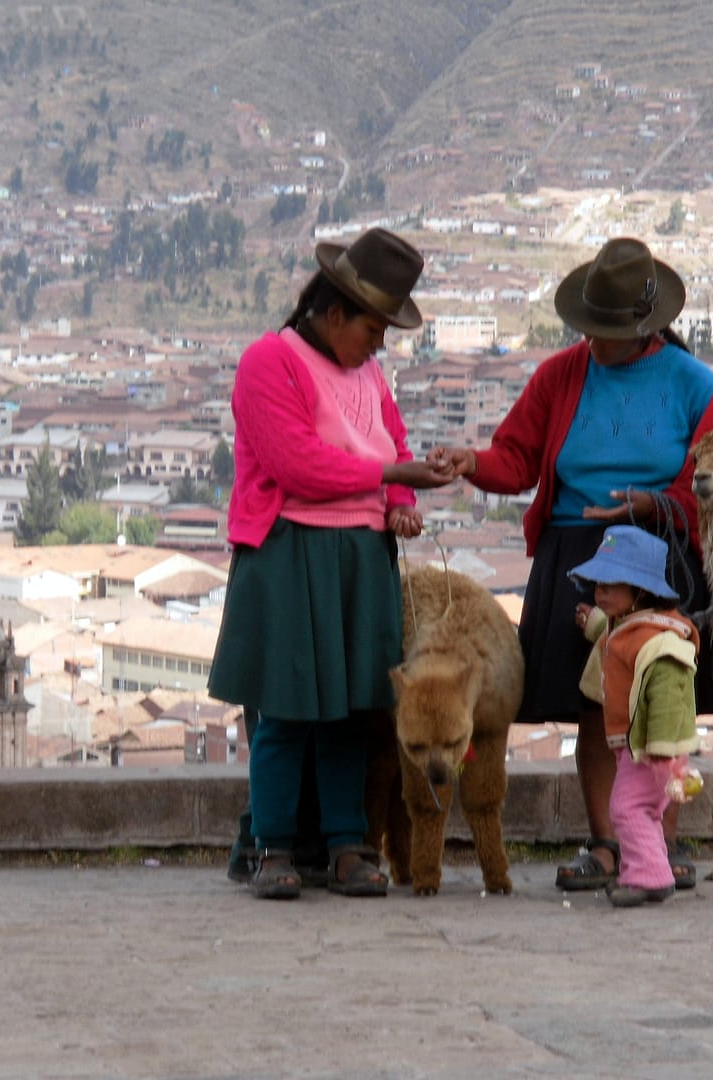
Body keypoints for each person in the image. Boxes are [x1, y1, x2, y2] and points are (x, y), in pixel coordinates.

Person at [428, 237, 713, 893]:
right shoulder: (560, 376)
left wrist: (652, 503)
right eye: (589, 329)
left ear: (645, 327)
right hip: (580, 557)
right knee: (600, 703)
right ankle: (606, 842)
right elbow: (516, 458)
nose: (594, 343)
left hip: (657, 556)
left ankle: (660, 844)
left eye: (608, 332)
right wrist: (472, 462)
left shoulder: (694, 385)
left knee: (660, 697)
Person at [209, 227, 453, 901]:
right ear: (336, 313)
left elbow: (391, 438)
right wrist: (392, 476)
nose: (378, 347)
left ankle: (347, 843)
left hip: (358, 555)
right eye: (373, 330)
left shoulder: (367, 373)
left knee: (352, 711)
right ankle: (273, 846)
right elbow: (297, 464)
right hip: (291, 550)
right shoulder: (269, 362)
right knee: (285, 712)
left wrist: (400, 501)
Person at [570, 525, 702, 907]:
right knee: (645, 811)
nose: (600, 593)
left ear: (641, 591)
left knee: (627, 808)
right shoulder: (633, 626)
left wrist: (660, 748)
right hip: (639, 745)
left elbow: (667, 698)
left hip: (651, 747)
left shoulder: (661, 643)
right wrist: (595, 623)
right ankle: (645, 869)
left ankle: (649, 877)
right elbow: (619, 639)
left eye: (611, 586)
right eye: (599, 585)